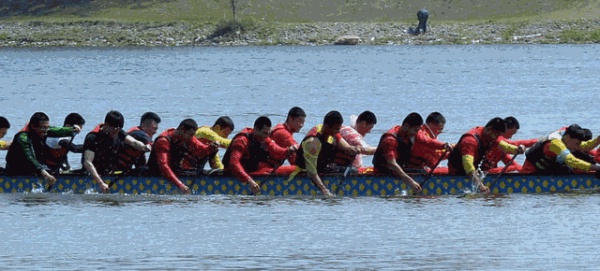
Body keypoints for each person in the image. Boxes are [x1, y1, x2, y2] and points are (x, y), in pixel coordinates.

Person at [447, 117, 525, 193]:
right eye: (497, 135)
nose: (497, 138)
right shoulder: (470, 141)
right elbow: (468, 167)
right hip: (458, 172)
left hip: (473, 170)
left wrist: (517, 149)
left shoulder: (490, 135)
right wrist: (480, 186)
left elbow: (505, 146)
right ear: (488, 130)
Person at [223, 116, 296, 194]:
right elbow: (234, 164)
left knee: (295, 168)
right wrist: (249, 181)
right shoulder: (241, 140)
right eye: (264, 133)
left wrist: (289, 150)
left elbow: (277, 151)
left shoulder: (265, 137)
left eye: (268, 133)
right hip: (234, 174)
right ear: (256, 129)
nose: (266, 137)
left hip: (252, 170)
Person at [294, 111, 361, 196]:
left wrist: (355, 149)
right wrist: (324, 190)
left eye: (338, 129)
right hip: (307, 170)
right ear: (326, 126)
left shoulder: (332, 132)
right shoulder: (313, 142)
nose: (337, 132)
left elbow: (347, 148)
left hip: (321, 167)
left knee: (353, 170)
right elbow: (311, 173)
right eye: (336, 129)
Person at [82, 110, 152, 193]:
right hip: (93, 174)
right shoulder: (92, 137)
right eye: (114, 130)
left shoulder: (118, 132)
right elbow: (87, 162)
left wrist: (145, 147)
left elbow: (134, 142)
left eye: (118, 130)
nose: (116, 133)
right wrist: (101, 183)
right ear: (106, 125)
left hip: (110, 171)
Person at [5, 112, 80, 187]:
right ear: (33, 126)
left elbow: (55, 130)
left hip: (31, 166)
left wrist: (72, 129)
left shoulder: (42, 129)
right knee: (46, 170)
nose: (46, 130)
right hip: (16, 169)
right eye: (43, 127)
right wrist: (46, 175)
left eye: (46, 127)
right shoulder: (23, 137)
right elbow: (31, 159)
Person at [147, 118, 218, 194]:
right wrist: (181, 185)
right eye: (190, 135)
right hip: (156, 173)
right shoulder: (163, 141)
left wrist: (211, 147)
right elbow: (164, 167)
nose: (191, 138)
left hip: (175, 170)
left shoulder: (187, 137)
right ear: (182, 129)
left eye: (192, 135)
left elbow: (202, 150)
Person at [372, 112, 425, 193]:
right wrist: (410, 181)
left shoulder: (406, 134)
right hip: (383, 173)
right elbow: (392, 164)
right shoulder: (390, 140)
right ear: (406, 126)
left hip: (398, 169)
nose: (416, 133)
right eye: (415, 130)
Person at [522, 124, 600, 175]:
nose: (577, 147)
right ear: (569, 137)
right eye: (577, 144)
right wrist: (597, 168)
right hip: (531, 171)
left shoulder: (566, 138)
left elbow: (586, 146)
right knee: (567, 169)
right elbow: (572, 161)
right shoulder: (556, 143)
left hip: (545, 168)